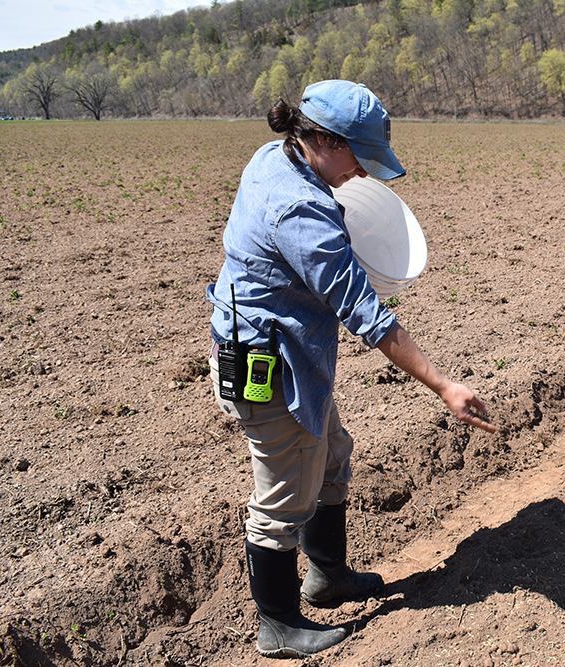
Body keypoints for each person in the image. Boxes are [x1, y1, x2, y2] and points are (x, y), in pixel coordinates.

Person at [205, 79, 495, 659]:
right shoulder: (301, 209)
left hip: (289, 349)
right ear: (327, 141)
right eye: (361, 158)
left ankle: (328, 577)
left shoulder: (276, 155)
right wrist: (442, 384)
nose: (363, 174)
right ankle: (279, 623)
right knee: (283, 494)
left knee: (333, 452)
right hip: (269, 363)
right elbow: (363, 312)